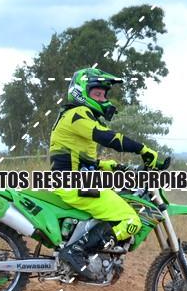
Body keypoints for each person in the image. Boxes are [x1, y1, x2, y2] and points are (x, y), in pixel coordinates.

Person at [49, 67, 169, 280]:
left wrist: (111, 166)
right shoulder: (77, 114)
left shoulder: (75, 116)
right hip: (75, 185)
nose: (103, 99)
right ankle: (76, 251)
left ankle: (91, 252)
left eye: (104, 94)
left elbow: (78, 158)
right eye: (97, 93)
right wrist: (143, 150)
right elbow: (107, 137)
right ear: (81, 92)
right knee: (131, 220)